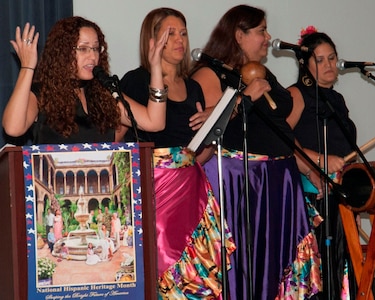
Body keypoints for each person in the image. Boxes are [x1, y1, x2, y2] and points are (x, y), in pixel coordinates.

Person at [191, 5, 322, 299]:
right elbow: (208, 131)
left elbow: (279, 131)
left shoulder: (265, 74)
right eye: (261, 30)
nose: (268, 37)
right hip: (240, 184)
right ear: (239, 35)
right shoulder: (210, 75)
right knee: (243, 264)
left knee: (276, 262)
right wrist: (243, 98)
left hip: (279, 181)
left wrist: (310, 168)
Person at [119, 7, 236, 298]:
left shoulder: (194, 86)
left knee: (198, 271)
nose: (179, 40)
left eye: (183, 33)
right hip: (156, 190)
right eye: (170, 34)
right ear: (152, 40)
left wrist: (208, 135)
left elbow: (201, 152)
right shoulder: (135, 80)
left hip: (192, 188)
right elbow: (122, 139)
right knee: (163, 265)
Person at [2, 16, 168, 144]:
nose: (93, 56)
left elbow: (155, 122)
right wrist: (27, 67)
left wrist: (155, 67)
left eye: (96, 48)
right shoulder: (42, 93)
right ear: (63, 53)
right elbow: (13, 128)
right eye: (83, 49)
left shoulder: (103, 95)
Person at [286, 28, 357, 299]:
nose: (329, 65)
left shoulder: (336, 99)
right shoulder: (297, 94)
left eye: (332, 58)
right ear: (305, 64)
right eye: (320, 60)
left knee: (339, 259)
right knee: (317, 264)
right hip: (309, 194)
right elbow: (282, 139)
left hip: (338, 191)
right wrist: (318, 161)